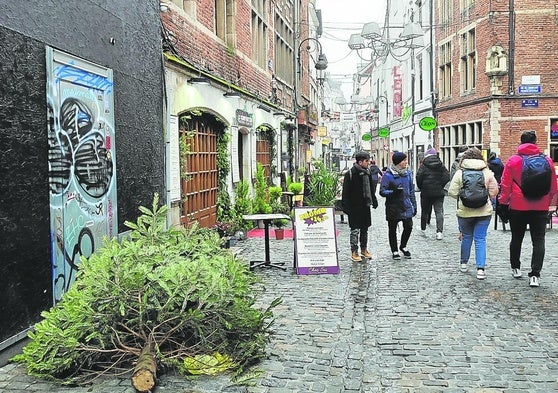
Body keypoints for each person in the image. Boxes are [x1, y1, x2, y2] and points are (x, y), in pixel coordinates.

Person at [498, 130, 558, 287]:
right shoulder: (547, 161)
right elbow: (553, 187)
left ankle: (516, 267)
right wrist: (547, 201)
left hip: (518, 206)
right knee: (538, 240)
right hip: (540, 207)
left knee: (516, 238)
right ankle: (535, 275)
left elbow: (505, 186)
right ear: (536, 142)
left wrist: (503, 204)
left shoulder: (513, 160)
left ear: (520, 142)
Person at [448, 147, 499, 280]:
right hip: (484, 212)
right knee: (480, 239)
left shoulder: (460, 173)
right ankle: (480, 269)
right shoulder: (487, 172)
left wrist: (464, 195)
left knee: (466, 237)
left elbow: (452, 192)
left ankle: (464, 263)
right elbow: (494, 192)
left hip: (465, 212)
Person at [379, 152, 417, 260]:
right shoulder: (388, 175)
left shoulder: (408, 173)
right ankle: (394, 250)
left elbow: (411, 191)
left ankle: (403, 246)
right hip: (393, 206)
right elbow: (382, 191)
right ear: (398, 162)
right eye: (404, 160)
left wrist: (414, 205)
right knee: (392, 229)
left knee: (408, 227)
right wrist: (393, 192)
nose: (406, 162)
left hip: (406, 205)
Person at [342, 151, 378, 262]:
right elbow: (346, 192)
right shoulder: (350, 174)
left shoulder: (368, 173)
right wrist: (346, 207)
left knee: (365, 229)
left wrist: (374, 200)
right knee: (354, 230)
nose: (368, 163)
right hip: (354, 206)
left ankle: (364, 249)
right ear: (360, 162)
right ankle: (354, 251)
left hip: (365, 205)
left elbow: (371, 189)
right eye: (367, 161)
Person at [416, 148, 451, 239]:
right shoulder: (440, 164)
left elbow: (418, 177)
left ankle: (423, 228)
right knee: (439, 211)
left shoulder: (423, 165)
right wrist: (441, 184)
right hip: (438, 192)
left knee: (424, 211)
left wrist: (421, 187)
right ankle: (439, 232)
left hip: (426, 192)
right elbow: (447, 176)